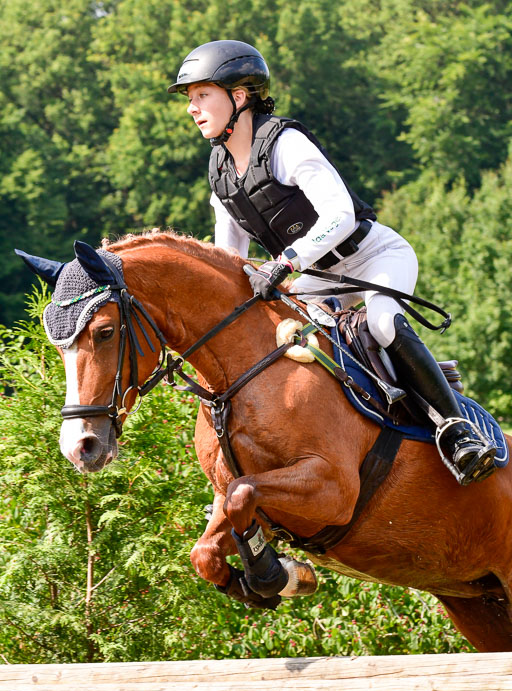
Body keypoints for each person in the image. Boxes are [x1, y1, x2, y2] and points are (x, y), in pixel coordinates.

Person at [168, 39, 496, 485]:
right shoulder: (220, 170)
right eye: (191, 99)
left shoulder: (284, 143)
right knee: (282, 345)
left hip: (372, 256)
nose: (192, 108)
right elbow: (231, 260)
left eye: (202, 95)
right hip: (318, 277)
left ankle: (456, 430)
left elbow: (339, 214)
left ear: (239, 97)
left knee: (381, 324)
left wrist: (286, 263)